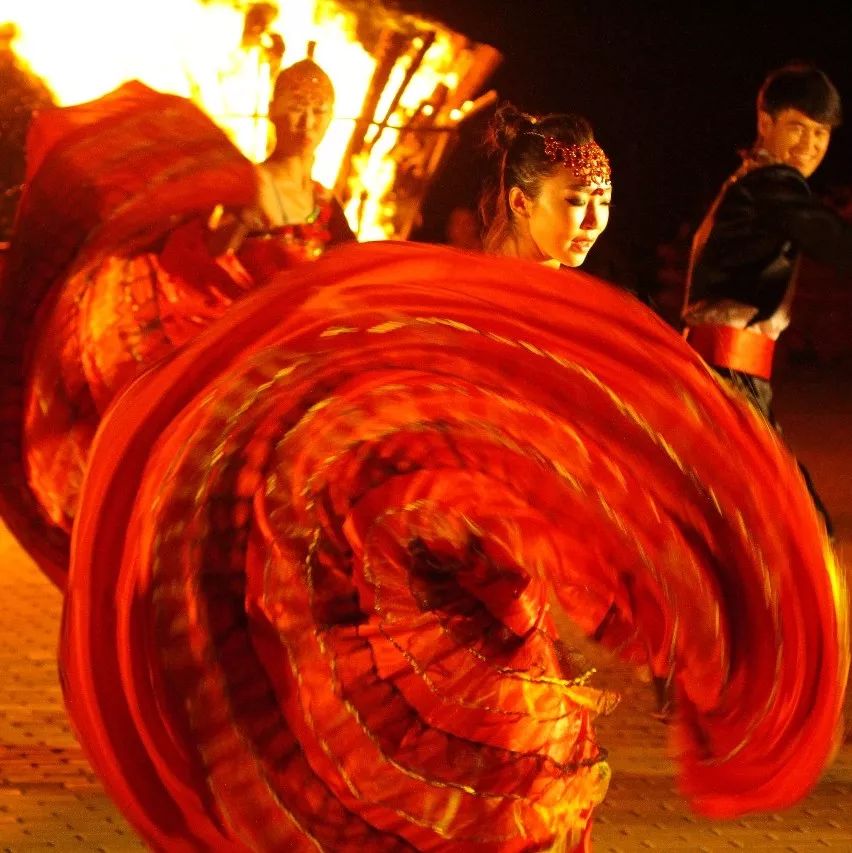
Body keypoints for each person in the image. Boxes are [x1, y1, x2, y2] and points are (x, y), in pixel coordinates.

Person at [682, 62, 852, 536]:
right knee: (797, 528)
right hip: (729, 376)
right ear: (765, 123)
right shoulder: (770, 185)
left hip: (728, 376)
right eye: (797, 127)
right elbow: (833, 242)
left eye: (821, 133)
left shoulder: (748, 182)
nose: (810, 145)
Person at [480, 103, 612, 269]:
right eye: (577, 200)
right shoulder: (481, 290)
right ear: (520, 202)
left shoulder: (573, 292)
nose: (595, 221)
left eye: (604, 202)